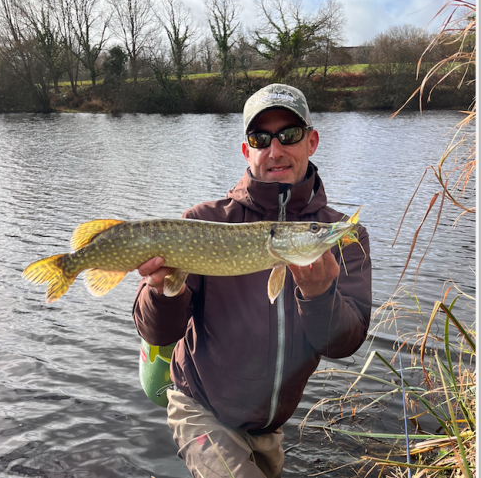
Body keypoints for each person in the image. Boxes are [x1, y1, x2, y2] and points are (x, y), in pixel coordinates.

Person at [132, 83, 372, 478]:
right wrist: (162, 290)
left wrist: (318, 296)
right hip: (201, 411)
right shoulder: (203, 222)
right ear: (247, 150)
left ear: (311, 141)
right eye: (261, 138)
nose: (275, 150)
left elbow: (343, 344)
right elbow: (159, 333)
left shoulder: (343, 235)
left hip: (269, 427)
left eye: (289, 135)